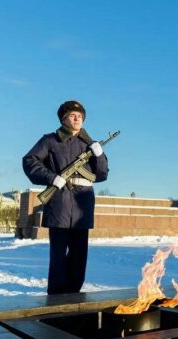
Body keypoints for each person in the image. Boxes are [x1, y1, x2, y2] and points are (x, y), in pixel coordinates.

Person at [22, 100, 108, 294]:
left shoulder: (89, 144)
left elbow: (102, 174)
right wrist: (52, 177)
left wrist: (99, 155)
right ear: (63, 118)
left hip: (82, 206)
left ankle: (74, 297)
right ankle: (55, 299)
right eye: (72, 115)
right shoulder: (50, 140)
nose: (77, 118)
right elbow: (29, 161)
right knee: (59, 258)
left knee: (79, 257)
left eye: (80, 116)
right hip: (60, 203)